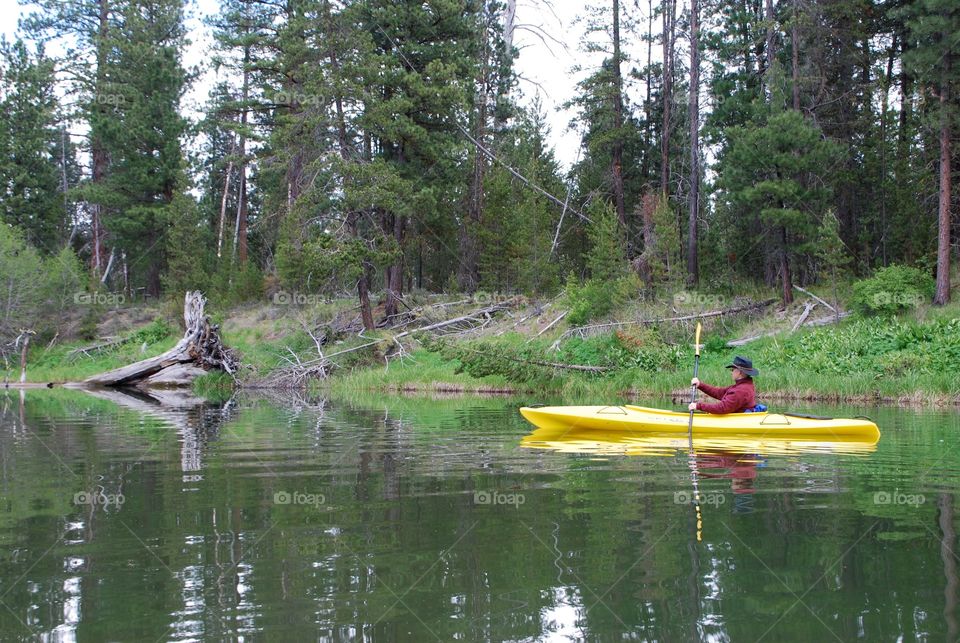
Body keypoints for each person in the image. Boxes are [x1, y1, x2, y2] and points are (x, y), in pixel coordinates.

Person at [687, 355, 758, 414]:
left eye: (732, 370)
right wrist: (700, 385)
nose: (731, 372)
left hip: (738, 421)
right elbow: (719, 392)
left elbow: (722, 408)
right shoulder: (743, 385)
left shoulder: (741, 390)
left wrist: (698, 406)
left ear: (739, 372)